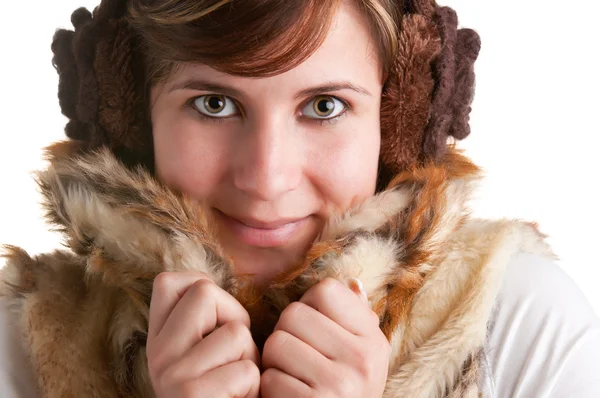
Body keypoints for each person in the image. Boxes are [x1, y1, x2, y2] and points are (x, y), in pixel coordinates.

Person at [1, 0, 599, 397]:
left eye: (324, 106)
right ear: (132, 120)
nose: (266, 178)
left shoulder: (517, 324)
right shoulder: (26, 340)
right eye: (214, 103)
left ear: (398, 125)